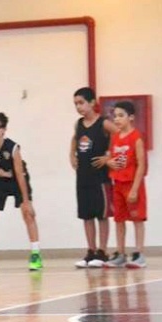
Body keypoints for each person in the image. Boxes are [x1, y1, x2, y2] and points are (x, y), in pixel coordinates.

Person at [0, 112, 42, 272]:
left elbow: (19, 174)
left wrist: (26, 200)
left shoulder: (12, 147)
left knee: (28, 214)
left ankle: (36, 254)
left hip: (17, 179)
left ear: (3, 129)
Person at [71, 87, 115, 268]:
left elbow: (121, 136)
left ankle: (102, 252)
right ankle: (91, 250)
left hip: (100, 177)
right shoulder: (79, 124)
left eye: (81, 103)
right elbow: (75, 139)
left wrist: (108, 157)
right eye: (76, 104)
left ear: (92, 103)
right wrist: (71, 155)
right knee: (86, 215)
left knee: (101, 215)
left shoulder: (104, 123)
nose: (78, 107)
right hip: (83, 176)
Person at [105, 101, 147, 269]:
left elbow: (141, 165)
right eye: (115, 116)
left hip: (132, 184)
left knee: (137, 219)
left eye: (121, 115)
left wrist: (135, 188)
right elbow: (110, 157)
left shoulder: (136, 138)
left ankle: (139, 254)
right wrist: (110, 162)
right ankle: (121, 253)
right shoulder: (115, 138)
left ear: (131, 117)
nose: (117, 119)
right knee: (119, 220)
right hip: (118, 184)